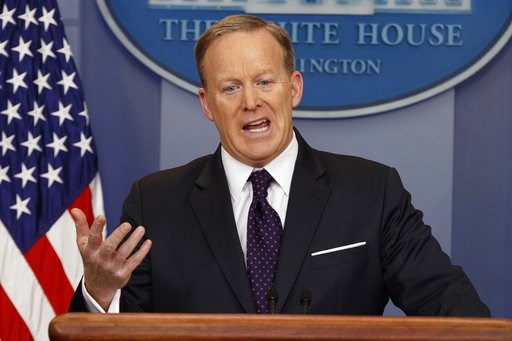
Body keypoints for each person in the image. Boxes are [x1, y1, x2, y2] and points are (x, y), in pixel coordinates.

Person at [69, 14, 489, 316]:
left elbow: (449, 305)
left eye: (264, 81)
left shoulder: (372, 191)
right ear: (206, 105)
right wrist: (100, 292)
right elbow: (117, 330)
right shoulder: (155, 203)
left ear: (294, 89)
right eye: (230, 87)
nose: (251, 101)